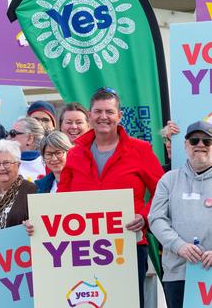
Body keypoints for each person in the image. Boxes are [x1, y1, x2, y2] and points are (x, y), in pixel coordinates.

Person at [57, 87, 164, 308]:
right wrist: (39, 224)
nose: (103, 117)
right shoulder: (75, 153)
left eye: (109, 111)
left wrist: (144, 217)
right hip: (83, 248)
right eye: (98, 111)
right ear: (90, 115)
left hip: (128, 246)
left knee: (128, 303)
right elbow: (60, 200)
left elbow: (162, 192)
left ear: (119, 116)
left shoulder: (140, 150)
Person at [149, 121, 212, 308]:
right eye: (194, 141)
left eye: (207, 141)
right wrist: (179, 246)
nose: (200, 145)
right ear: (185, 145)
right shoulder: (169, 179)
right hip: (178, 274)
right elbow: (156, 218)